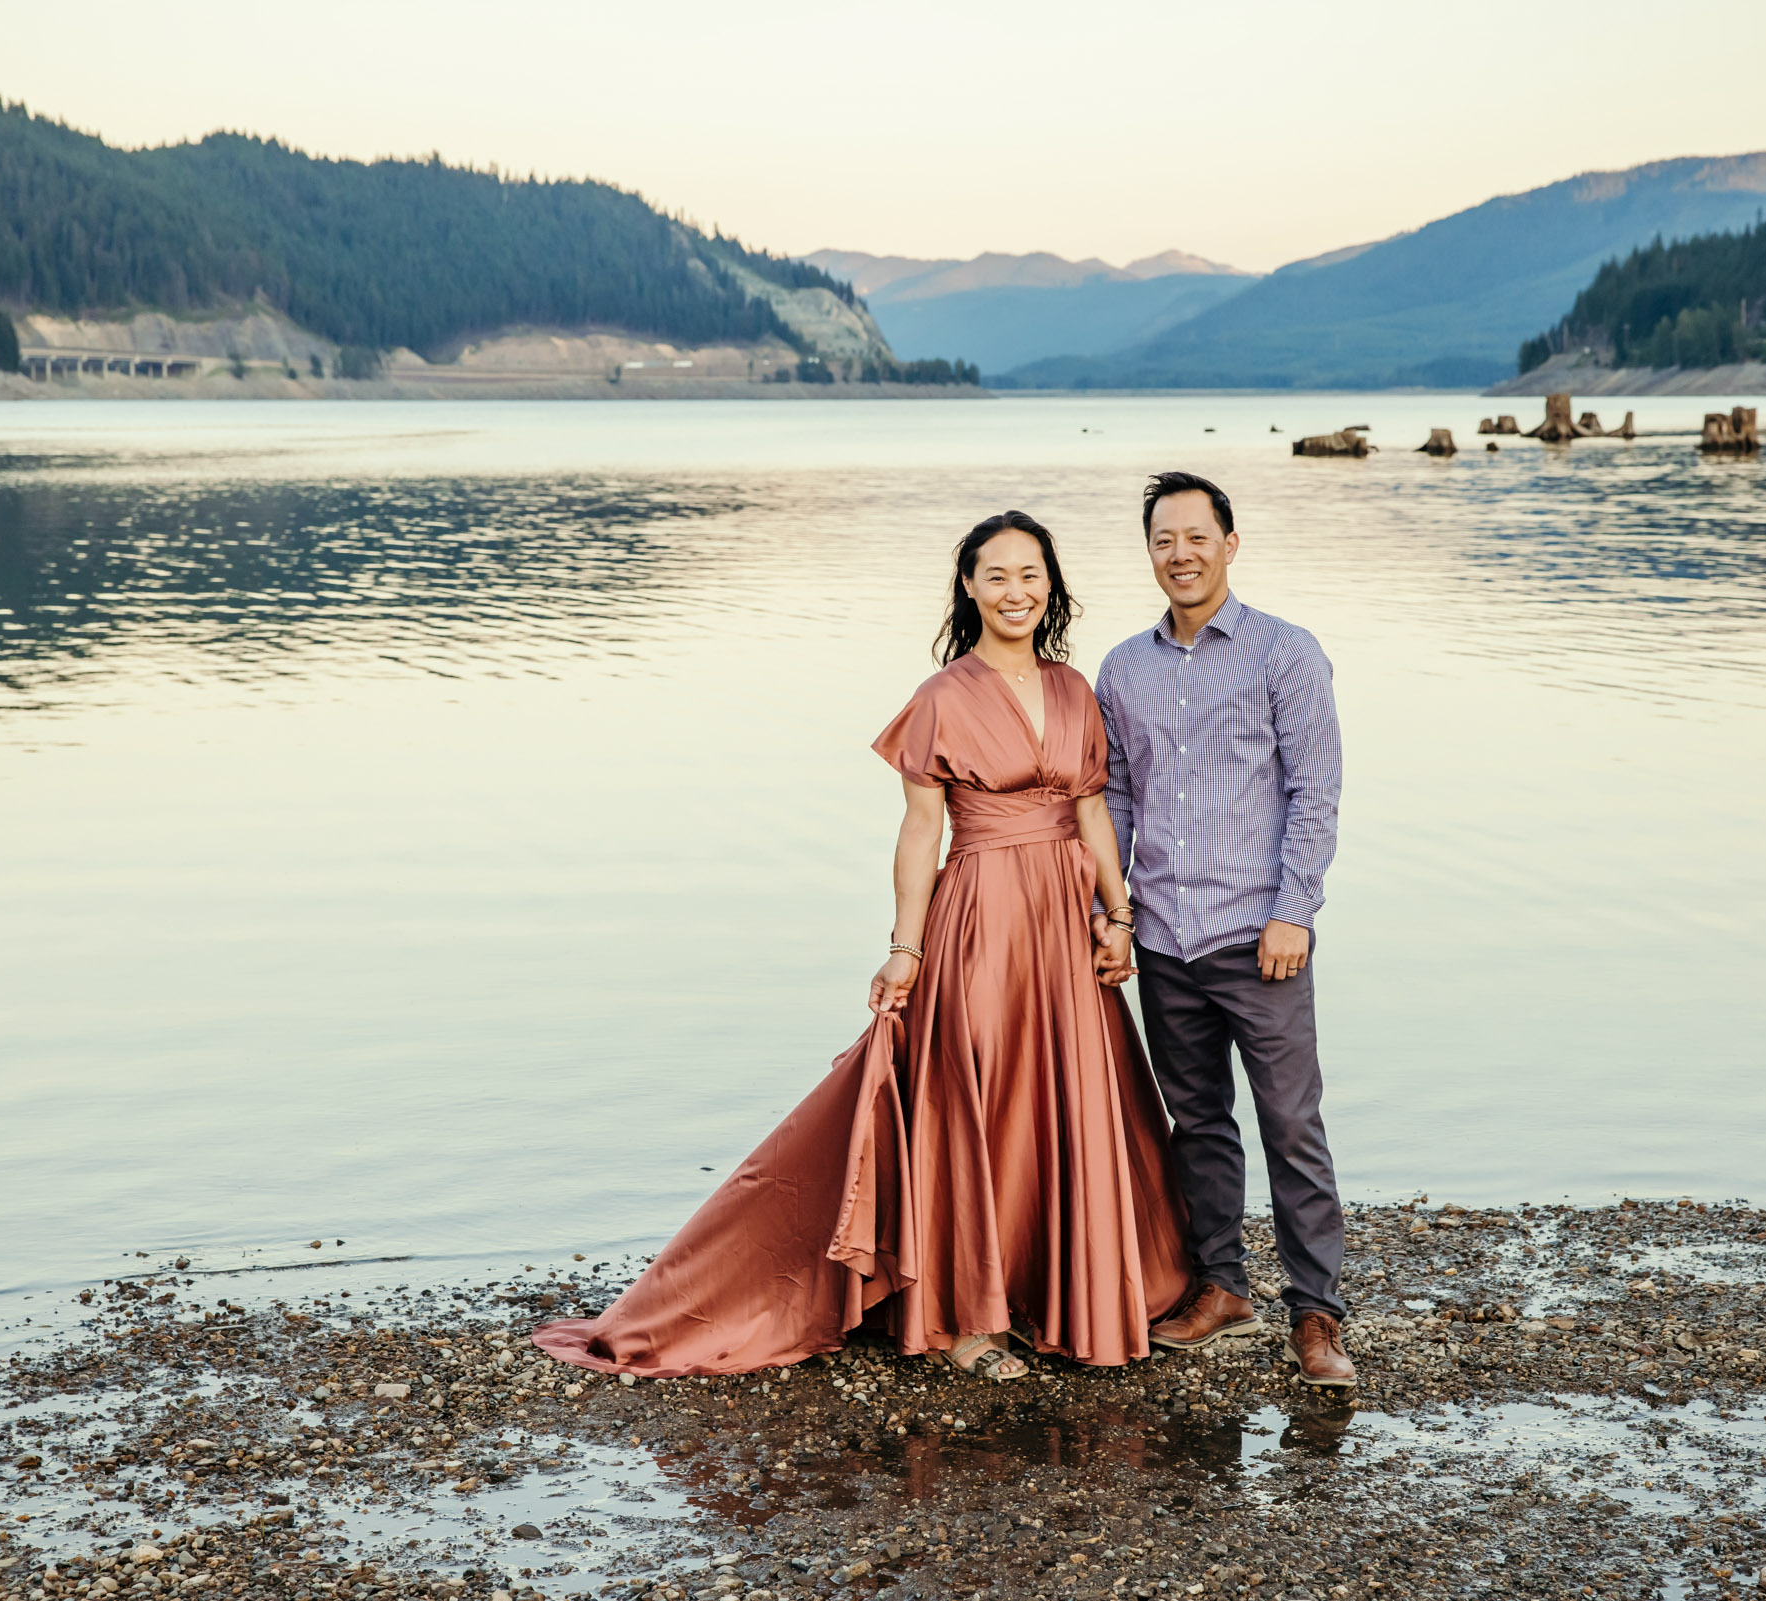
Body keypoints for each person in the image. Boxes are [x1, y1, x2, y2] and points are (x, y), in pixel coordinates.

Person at [530, 511, 1190, 1381]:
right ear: (969, 587)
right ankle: (971, 1324)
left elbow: (1094, 813)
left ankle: (1052, 1294)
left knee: (1058, 1101)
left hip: (1067, 922)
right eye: (996, 575)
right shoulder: (942, 698)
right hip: (982, 919)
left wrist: (1116, 914)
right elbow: (921, 835)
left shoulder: (1076, 691)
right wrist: (905, 950)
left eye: (1030, 575)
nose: (1015, 592)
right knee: (979, 1106)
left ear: (1051, 585)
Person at [1093, 470, 1358, 1393]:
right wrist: (1112, 910)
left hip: (1259, 935)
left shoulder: (1285, 653)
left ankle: (1316, 1316)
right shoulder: (1123, 668)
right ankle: (1221, 1287)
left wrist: (1295, 910)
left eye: (1197, 537)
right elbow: (1118, 797)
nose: (1181, 554)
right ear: (1151, 552)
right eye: (1164, 540)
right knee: (1197, 1122)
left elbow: (1314, 793)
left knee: (1291, 1126)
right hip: (1165, 937)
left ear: (1231, 544)